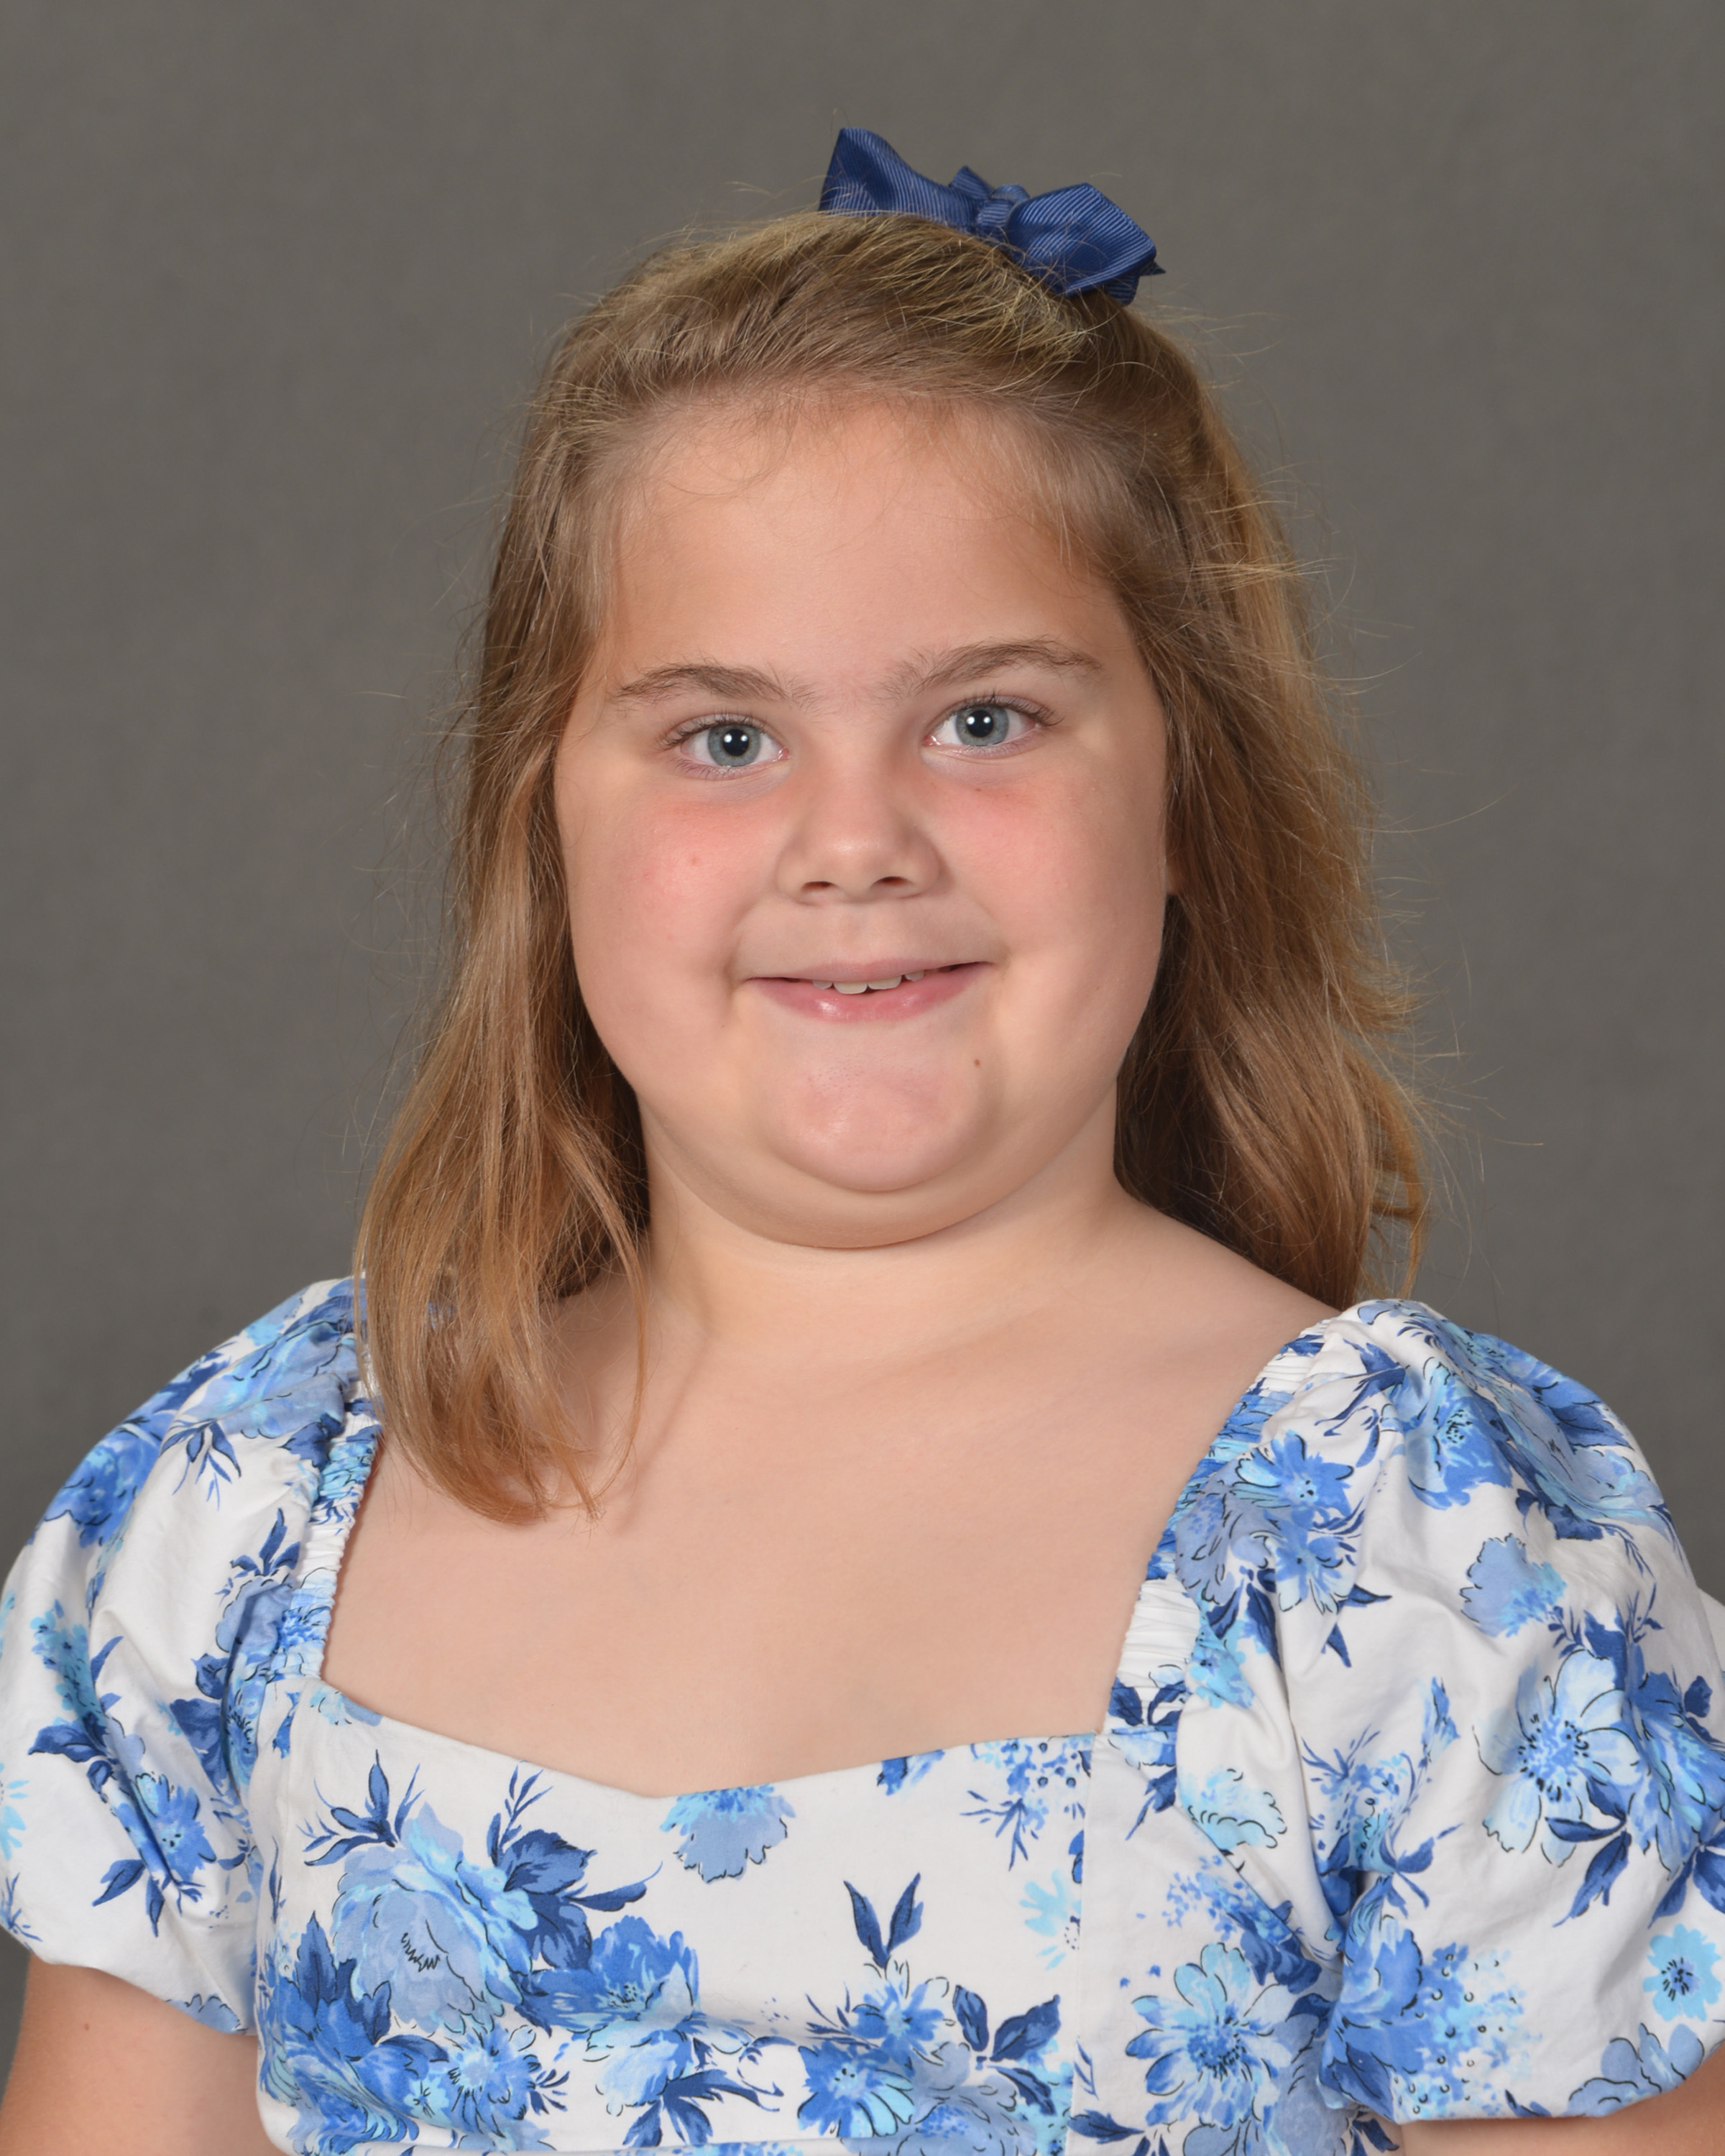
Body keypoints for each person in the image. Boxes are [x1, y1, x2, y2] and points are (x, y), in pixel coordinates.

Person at [0, 127, 1719, 2156]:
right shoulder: (263, 1507)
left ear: (1188, 792)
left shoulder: (1408, 1557)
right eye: (726, 738)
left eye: (984, 719)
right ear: (546, 828)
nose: (853, 843)